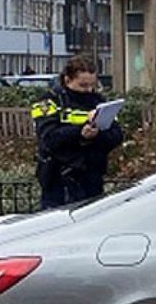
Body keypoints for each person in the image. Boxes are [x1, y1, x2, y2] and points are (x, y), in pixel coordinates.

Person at [31, 56, 122, 210]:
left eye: (91, 85)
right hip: (59, 179)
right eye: (82, 85)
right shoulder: (49, 102)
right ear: (67, 80)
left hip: (91, 178)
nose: (87, 90)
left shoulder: (99, 102)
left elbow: (116, 135)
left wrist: (97, 135)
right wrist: (80, 133)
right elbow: (49, 138)